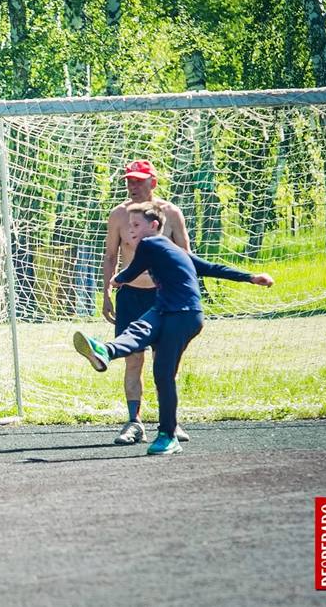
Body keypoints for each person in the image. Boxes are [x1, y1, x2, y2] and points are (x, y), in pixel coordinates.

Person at [74, 202, 274, 455]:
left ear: (154, 226)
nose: (131, 230)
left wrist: (119, 279)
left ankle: (168, 435)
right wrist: (250, 277)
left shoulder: (148, 244)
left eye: (136, 225)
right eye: (129, 225)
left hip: (183, 315)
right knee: (138, 330)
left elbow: (132, 270)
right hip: (165, 309)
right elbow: (212, 268)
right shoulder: (175, 251)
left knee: (162, 373)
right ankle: (104, 351)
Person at [102, 159, 192, 446]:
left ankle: (170, 422)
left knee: (166, 363)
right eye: (129, 180)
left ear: (153, 182)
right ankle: (134, 422)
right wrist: (106, 293)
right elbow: (110, 256)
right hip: (130, 296)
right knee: (133, 360)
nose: (133, 185)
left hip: (164, 297)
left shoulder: (171, 214)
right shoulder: (118, 215)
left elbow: (186, 256)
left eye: (139, 180)